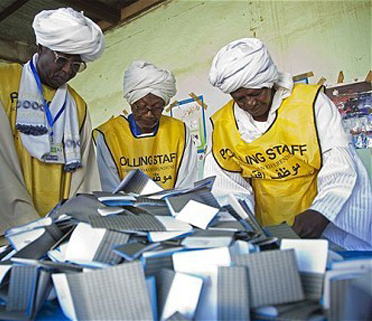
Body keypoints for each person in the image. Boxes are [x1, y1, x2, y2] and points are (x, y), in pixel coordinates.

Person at [0, 8, 104, 262]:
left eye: (76, 65)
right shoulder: (1, 83)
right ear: (40, 46)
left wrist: (65, 227)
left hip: (58, 237)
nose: (67, 71)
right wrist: (30, 226)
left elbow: (84, 177)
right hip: (6, 232)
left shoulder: (77, 105)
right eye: (61, 59)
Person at [206, 38, 372, 250]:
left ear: (269, 82)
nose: (250, 103)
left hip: (321, 221)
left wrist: (322, 211)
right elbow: (228, 187)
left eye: (256, 93)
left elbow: (339, 163)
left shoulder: (310, 103)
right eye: (240, 98)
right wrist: (242, 225)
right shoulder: (222, 125)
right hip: (268, 225)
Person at [94, 60, 198, 191]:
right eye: (143, 107)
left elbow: (186, 183)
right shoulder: (109, 135)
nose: (149, 114)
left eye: (157, 107)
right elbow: (110, 188)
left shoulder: (180, 131)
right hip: (125, 209)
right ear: (132, 103)